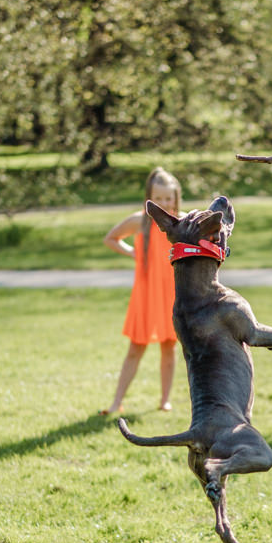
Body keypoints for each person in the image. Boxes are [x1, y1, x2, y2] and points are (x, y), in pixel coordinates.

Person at [100, 167, 182, 415]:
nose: (164, 203)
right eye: (158, 198)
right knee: (135, 348)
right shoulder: (140, 221)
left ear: (176, 197)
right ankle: (117, 401)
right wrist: (133, 253)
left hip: (172, 294)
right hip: (146, 295)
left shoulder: (182, 221)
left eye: (168, 198)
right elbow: (111, 238)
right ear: (149, 199)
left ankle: (165, 400)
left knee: (169, 346)